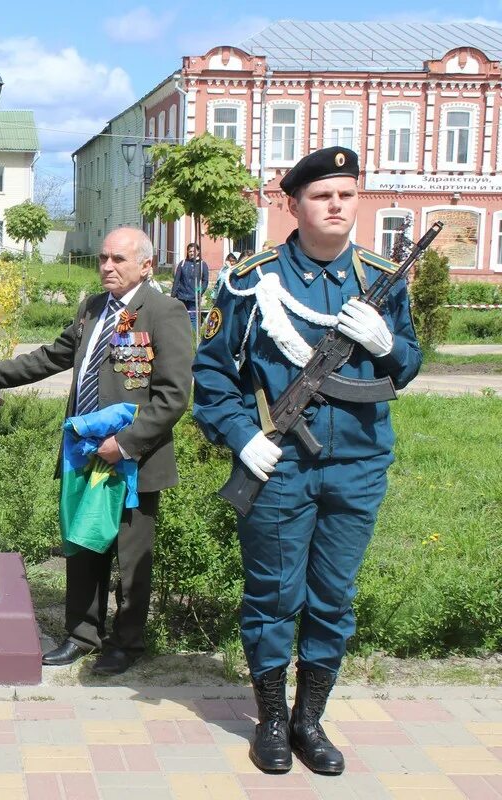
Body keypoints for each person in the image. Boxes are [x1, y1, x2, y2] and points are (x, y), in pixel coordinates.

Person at [193, 147, 421, 776]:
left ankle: (309, 720)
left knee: (333, 597)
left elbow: (408, 364)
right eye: (323, 196)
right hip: (279, 463)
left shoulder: (383, 279)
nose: (338, 205)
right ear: (293, 205)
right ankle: (269, 719)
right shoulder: (251, 280)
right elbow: (212, 375)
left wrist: (388, 343)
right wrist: (241, 436)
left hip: (358, 463)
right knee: (272, 594)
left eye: (347, 194)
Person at [0, 227, 191, 675]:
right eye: (103, 258)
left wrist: (123, 444)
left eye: (118, 259)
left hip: (131, 461)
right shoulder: (92, 310)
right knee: (83, 546)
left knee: (130, 552)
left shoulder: (164, 312)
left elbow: (173, 396)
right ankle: (82, 634)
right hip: (83, 452)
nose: (106, 267)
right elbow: (49, 357)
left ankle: (126, 643)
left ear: (146, 264)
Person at [171, 242, 209, 330]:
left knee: (193, 318)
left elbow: (205, 281)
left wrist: (198, 291)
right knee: (181, 317)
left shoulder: (202, 265)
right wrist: (173, 294)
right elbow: (177, 280)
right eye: (190, 251)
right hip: (181, 296)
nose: (192, 253)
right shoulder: (183, 263)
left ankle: (193, 338)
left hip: (194, 298)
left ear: (198, 251)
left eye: (194, 251)